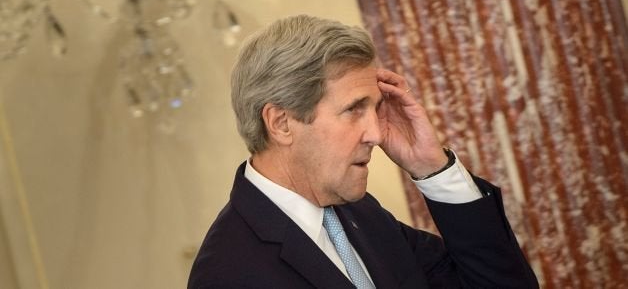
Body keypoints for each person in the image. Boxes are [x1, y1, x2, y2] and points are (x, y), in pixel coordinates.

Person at [188, 15, 539, 288]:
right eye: (354, 109)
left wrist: (431, 167)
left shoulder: (360, 212)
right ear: (281, 122)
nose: (375, 133)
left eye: (376, 108)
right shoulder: (227, 273)